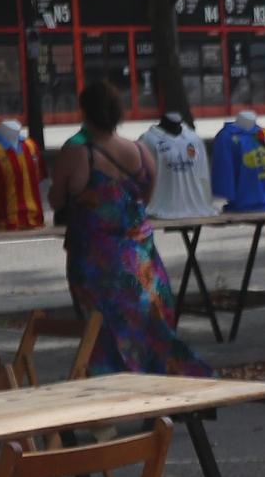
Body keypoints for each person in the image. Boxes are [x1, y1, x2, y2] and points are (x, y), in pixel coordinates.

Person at [48, 81, 211, 377]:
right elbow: (145, 198)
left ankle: (109, 401)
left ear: (84, 111)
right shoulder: (139, 150)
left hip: (97, 263)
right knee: (149, 329)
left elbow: (56, 199)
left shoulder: (77, 151)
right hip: (142, 258)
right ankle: (159, 393)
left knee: (101, 332)